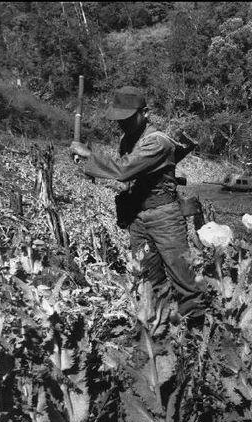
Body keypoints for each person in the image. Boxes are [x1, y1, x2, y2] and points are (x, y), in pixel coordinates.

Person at [70, 86, 205, 327]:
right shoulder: (127, 140)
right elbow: (127, 175)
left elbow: (123, 169)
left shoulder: (158, 142)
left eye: (128, 118)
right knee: (148, 278)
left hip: (164, 216)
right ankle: (162, 330)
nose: (122, 124)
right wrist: (91, 166)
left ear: (145, 113)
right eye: (119, 120)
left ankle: (198, 332)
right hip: (138, 218)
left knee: (183, 277)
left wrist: (89, 155)